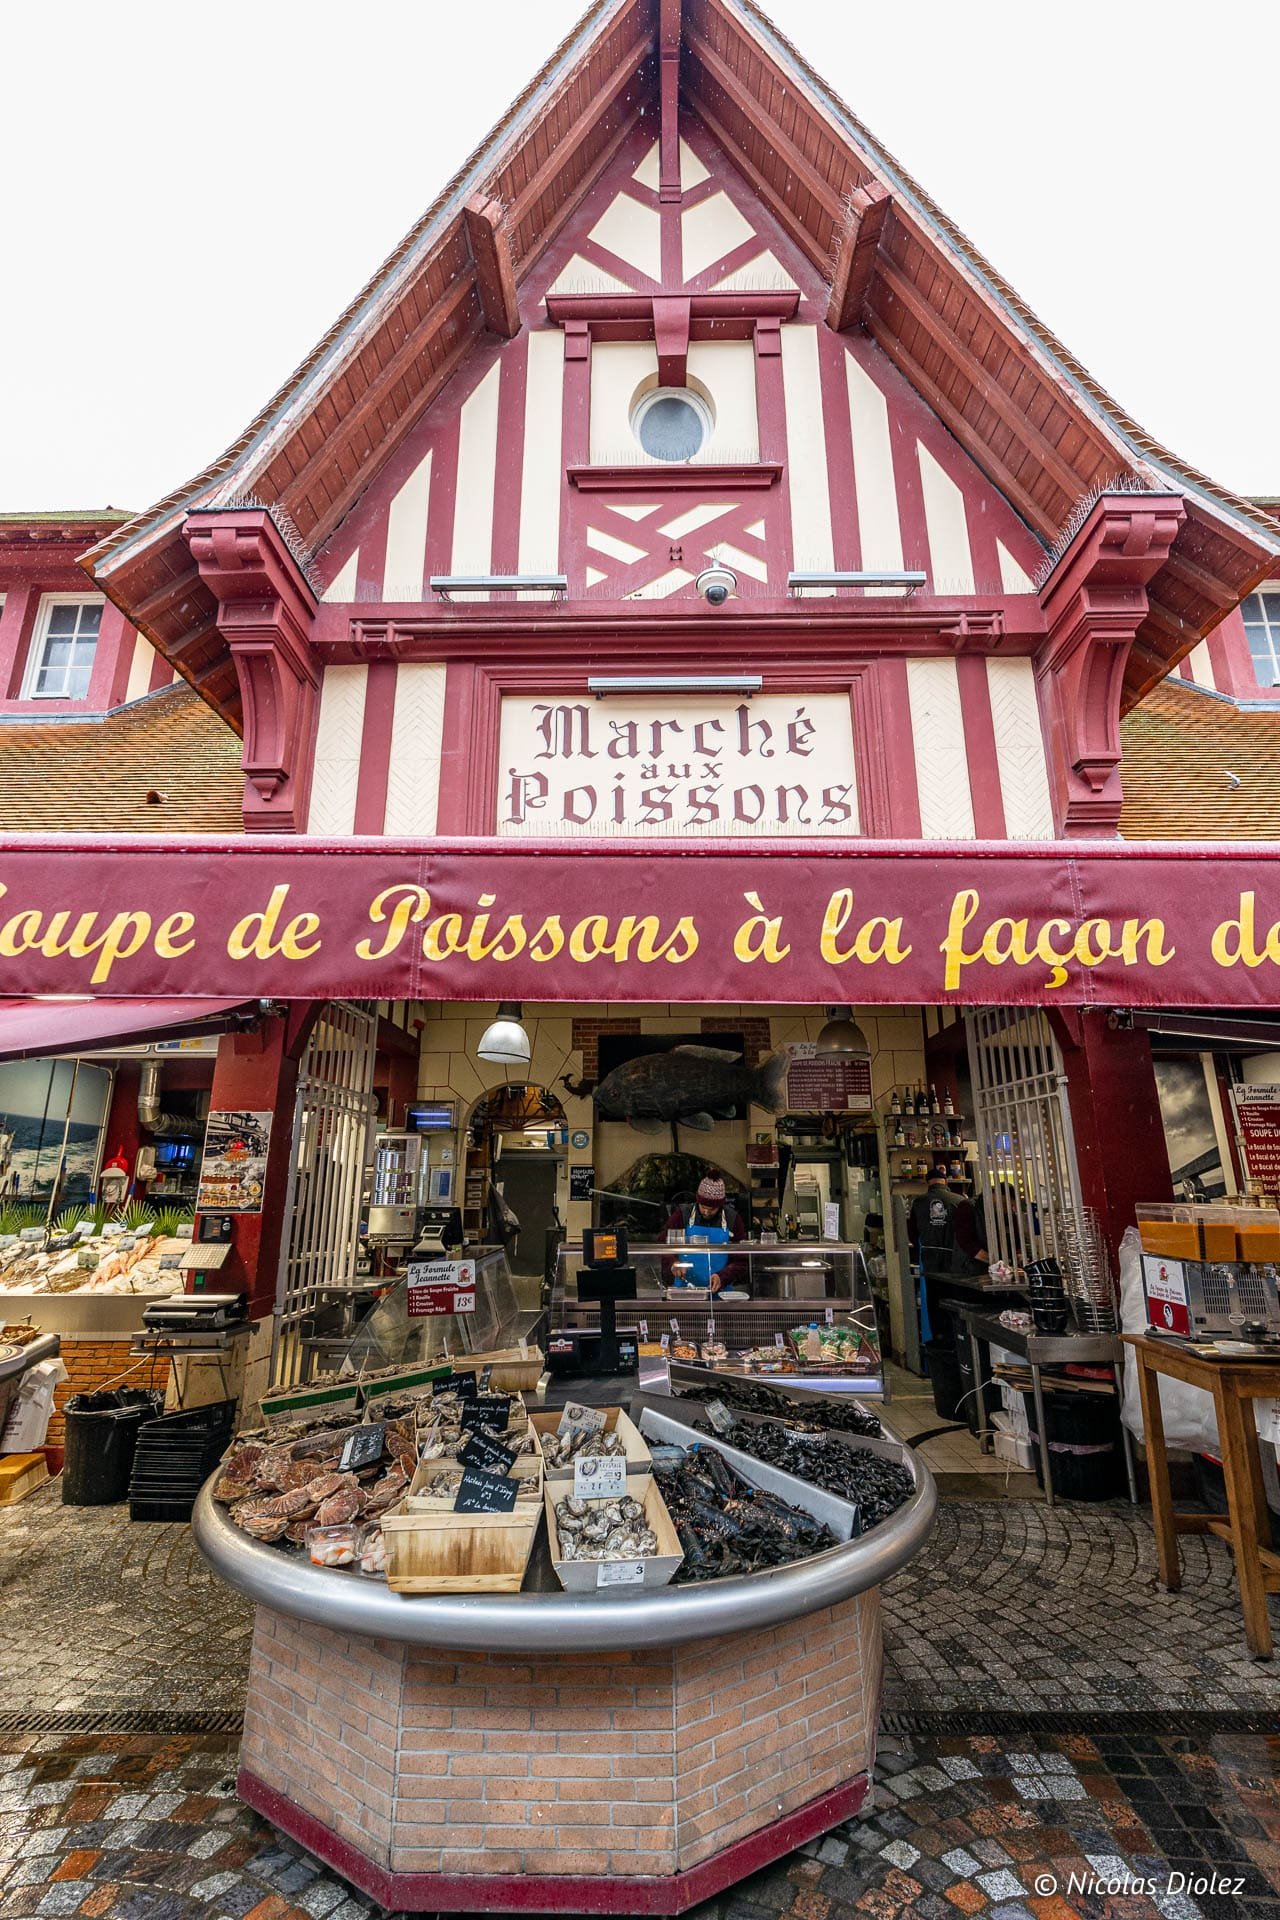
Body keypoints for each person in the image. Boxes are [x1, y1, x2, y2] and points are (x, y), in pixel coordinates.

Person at [664, 1175, 748, 1293]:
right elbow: (665, 1247)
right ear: (698, 1201)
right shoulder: (682, 1216)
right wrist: (674, 1263)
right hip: (685, 1291)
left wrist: (722, 1277)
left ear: (720, 1205)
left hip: (721, 1293)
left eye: (712, 1209)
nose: (706, 1212)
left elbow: (741, 1261)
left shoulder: (732, 1219)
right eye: (703, 1207)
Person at [907, 1164, 987, 1284]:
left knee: (933, 1291)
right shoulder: (960, 1200)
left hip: (930, 1256)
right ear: (945, 1182)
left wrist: (922, 1247)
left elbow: (912, 1232)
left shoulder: (918, 1202)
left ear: (928, 1182)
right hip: (955, 1257)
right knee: (953, 1293)